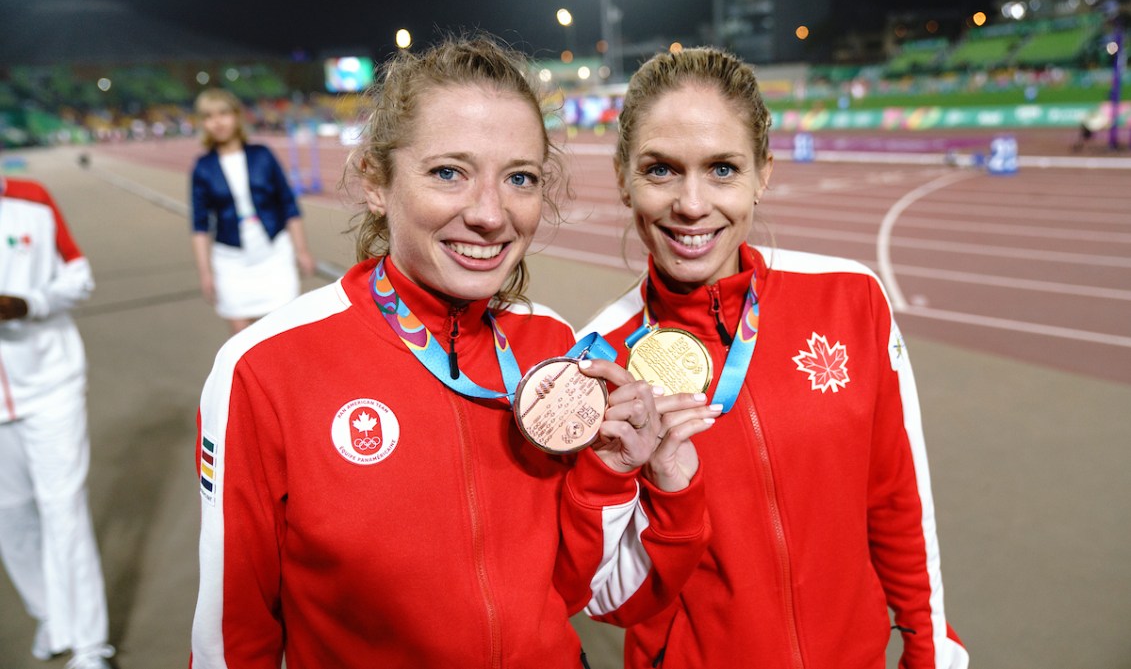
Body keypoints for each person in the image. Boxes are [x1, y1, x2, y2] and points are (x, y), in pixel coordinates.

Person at [190, 35, 715, 668]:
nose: (491, 214)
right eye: (449, 172)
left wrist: (617, 475)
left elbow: (577, 593)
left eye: (519, 178)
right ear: (376, 180)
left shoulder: (553, 349)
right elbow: (234, 636)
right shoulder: (265, 369)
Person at [580, 47, 969, 668]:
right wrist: (663, 489)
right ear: (624, 176)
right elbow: (606, 600)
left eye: (723, 169)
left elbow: (896, 499)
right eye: (661, 170)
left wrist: (929, 652)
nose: (691, 203)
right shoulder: (599, 362)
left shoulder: (849, 298)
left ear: (764, 172)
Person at [0, 176, 116, 669]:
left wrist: (29, 304)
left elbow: (79, 276)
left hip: (50, 381)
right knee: (11, 517)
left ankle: (90, 645)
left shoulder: (31, 198)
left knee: (62, 507)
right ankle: (51, 613)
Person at [190, 88, 315, 336]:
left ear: (236, 116)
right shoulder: (203, 168)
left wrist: (302, 251)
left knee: (285, 334)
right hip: (231, 259)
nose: (217, 122)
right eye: (209, 116)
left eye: (223, 113)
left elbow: (288, 204)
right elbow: (200, 225)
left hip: (274, 251)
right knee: (243, 342)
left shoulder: (262, 155)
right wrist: (205, 273)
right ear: (203, 123)